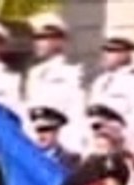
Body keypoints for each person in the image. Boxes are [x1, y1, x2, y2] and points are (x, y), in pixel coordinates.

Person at [25, 12, 85, 154]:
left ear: (59, 41)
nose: (37, 43)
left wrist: (71, 150)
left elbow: (76, 115)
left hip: (63, 148)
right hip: (37, 147)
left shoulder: (71, 73)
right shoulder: (34, 74)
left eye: (42, 38)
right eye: (36, 38)